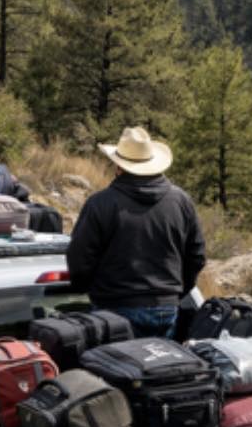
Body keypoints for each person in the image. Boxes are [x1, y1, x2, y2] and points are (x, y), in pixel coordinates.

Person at [66, 126, 206, 339]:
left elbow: (79, 261)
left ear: (118, 166)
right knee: (163, 370)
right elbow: (196, 256)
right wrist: (174, 292)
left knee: (117, 370)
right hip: (167, 310)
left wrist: (88, 291)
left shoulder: (100, 204)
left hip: (114, 310)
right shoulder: (181, 201)